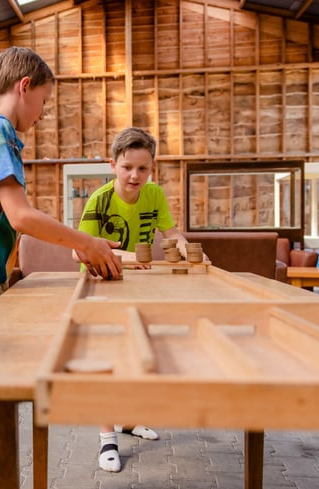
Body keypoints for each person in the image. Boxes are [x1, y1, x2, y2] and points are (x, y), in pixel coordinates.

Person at [0, 46, 122, 489]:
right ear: (24, 87)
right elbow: (20, 215)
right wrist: (86, 242)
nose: (42, 114)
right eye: (43, 102)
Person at [76, 126, 191, 472]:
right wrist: (125, 257)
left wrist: (186, 248)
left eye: (143, 168)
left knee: (138, 353)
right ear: (113, 165)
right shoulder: (100, 201)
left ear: (151, 168)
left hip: (139, 286)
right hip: (102, 287)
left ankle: (128, 420)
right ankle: (106, 437)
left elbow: (170, 233)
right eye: (127, 167)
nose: (135, 175)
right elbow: (77, 251)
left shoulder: (154, 195)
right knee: (106, 360)